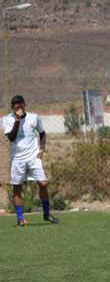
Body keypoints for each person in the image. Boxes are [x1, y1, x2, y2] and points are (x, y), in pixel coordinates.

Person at [3, 95, 59, 226]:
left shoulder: (34, 117)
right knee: (17, 188)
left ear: (24, 105)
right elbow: (11, 137)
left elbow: (42, 133)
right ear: (12, 108)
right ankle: (20, 218)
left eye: (21, 106)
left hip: (33, 157)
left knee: (43, 184)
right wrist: (17, 120)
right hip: (18, 159)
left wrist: (41, 150)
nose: (19, 109)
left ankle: (47, 214)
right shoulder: (6, 120)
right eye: (16, 107)